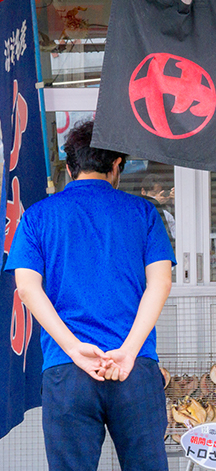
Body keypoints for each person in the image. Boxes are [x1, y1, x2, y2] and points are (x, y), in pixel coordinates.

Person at [5, 120, 175, 471]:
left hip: (68, 371)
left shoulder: (37, 217)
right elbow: (161, 282)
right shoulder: (143, 212)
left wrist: (73, 349)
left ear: (70, 167)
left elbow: (26, 287)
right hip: (134, 367)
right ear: (117, 166)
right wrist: (127, 352)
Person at [141, 173, 175, 239]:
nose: (158, 196)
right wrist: (155, 203)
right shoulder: (137, 208)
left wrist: (175, 203)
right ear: (143, 192)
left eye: (160, 193)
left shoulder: (166, 213)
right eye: (154, 193)